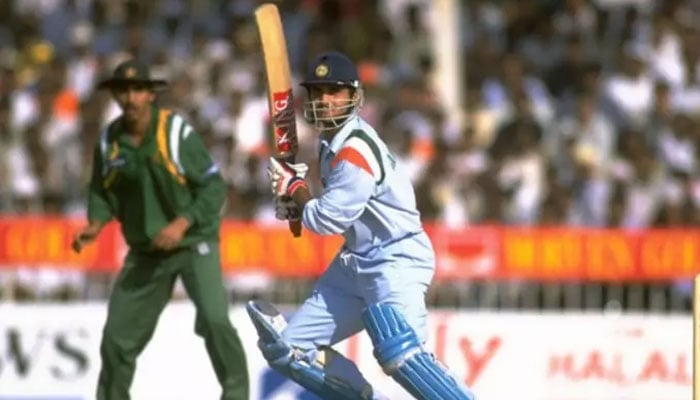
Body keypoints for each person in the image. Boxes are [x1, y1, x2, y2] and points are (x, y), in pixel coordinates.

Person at [247, 51, 475, 399]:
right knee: (286, 350)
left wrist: (294, 190)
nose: (324, 100)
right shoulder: (329, 143)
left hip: (395, 260)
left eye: (334, 91)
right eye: (318, 91)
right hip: (353, 263)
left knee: (400, 353)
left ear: (354, 96)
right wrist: (294, 195)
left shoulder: (355, 151)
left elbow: (325, 219)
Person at [71, 59, 249, 400]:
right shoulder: (109, 142)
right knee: (116, 340)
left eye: (138, 90)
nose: (131, 98)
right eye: (123, 91)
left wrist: (182, 224)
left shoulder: (175, 133)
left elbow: (214, 187)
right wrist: (95, 223)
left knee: (215, 321)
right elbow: (101, 190)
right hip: (146, 250)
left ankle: (237, 395)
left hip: (194, 242)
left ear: (151, 94)